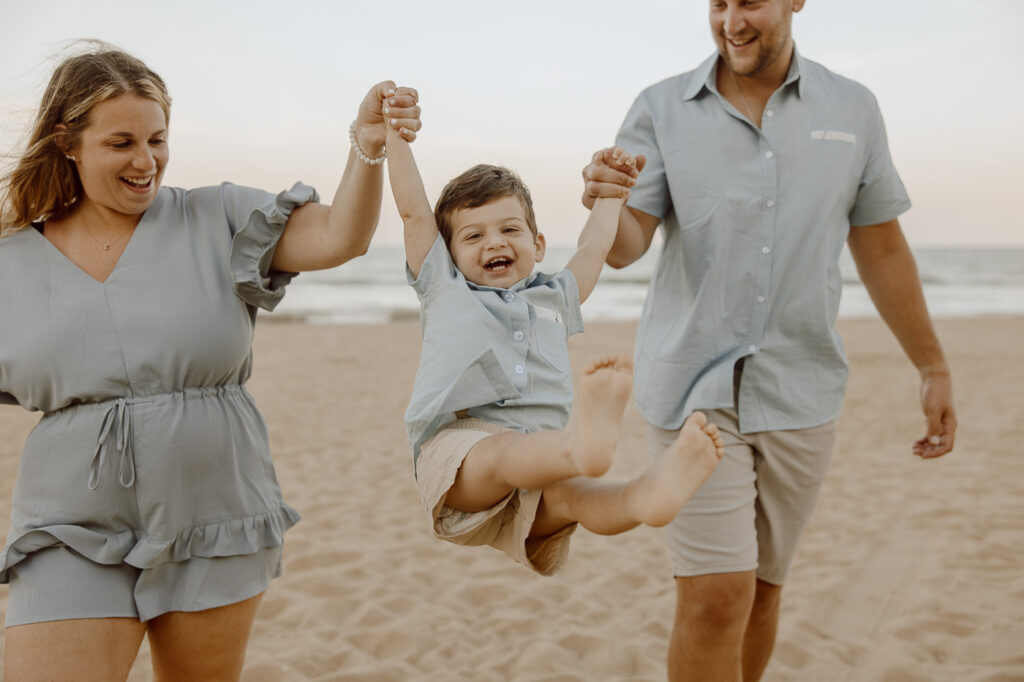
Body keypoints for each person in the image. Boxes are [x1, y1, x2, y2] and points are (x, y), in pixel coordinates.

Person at [0, 44, 421, 681]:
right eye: (121, 143)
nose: (146, 162)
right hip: (70, 522)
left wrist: (367, 146)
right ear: (67, 142)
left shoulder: (218, 217)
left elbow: (341, 237)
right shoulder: (10, 262)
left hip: (214, 510)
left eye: (158, 139)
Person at [580, 1, 957, 680]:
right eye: (717, 4)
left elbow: (881, 246)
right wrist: (609, 200)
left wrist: (931, 365)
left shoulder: (854, 108)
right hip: (693, 389)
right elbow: (627, 246)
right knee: (715, 598)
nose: (731, 22)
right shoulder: (661, 108)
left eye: (748, 1)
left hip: (800, 389)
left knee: (759, 594)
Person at [385, 113, 724, 575]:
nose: (494, 242)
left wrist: (612, 192)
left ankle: (645, 497)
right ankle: (581, 448)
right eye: (473, 235)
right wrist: (393, 135)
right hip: (461, 454)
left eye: (509, 229)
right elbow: (412, 211)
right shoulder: (446, 290)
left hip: (539, 464)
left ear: (538, 244)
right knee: (506, 454)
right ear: (449, 255)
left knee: (574, 497)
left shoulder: (554, 299)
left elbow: (594, 246)